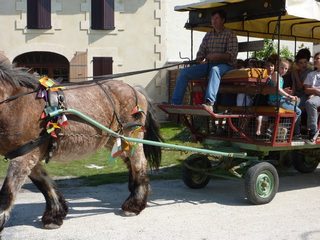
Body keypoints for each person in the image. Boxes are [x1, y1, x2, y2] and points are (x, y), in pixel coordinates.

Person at [171, 9, 238, 110]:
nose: (213, 21)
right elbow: (201, 52)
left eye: (216, 18)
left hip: (227, 66)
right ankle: (175, 104)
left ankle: (209, 102)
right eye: (212, 19)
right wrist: (197, 60)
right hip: (209, 64)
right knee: (184, 72)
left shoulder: (230, 34)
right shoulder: (208, 35)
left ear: (223, 20)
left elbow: (232, 55)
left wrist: (216, 56)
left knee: (215, 70)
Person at [267, 58, 302, 139]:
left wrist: (286, 93)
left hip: (279, 100)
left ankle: (279, 128)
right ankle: (282, 128)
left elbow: (279, 90)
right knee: (298, 111)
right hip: (275, 101)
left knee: (297, 102)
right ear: (278, 67)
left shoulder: (281, 77)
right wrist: (289, 96)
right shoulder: (276, 74)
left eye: (286, 68)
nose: (284, 70)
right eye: (282, 67)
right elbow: (278, 90)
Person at [304, 52, 320, 143]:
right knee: (294, 103)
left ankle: (313, 132)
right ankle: (296, 132)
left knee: (310, 103)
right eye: (315, 58)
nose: (315, 60)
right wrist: (315, 90)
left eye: (318, 58)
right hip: (312, 96)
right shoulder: (311, 74)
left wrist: (313, 90)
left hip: (315, 98)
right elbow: (306, 90)